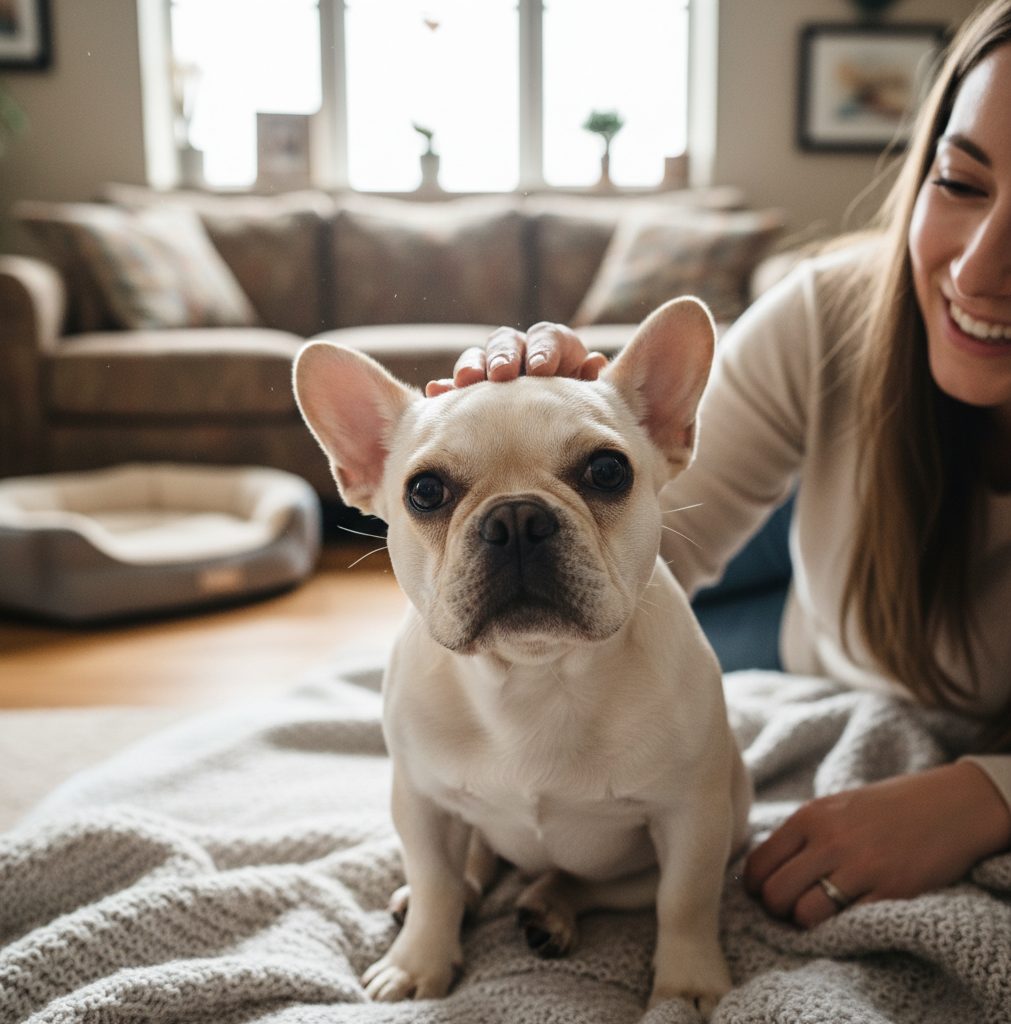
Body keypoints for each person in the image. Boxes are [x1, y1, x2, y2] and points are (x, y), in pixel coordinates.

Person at [425, 0, 1011, 929]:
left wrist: (987, 793)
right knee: (629, 571)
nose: (979, 270)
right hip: (814, 595)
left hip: (836, 623)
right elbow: (646, 563)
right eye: (961, 183)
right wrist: (577, 443)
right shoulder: (831, 313)